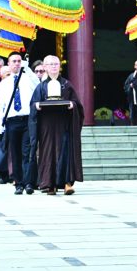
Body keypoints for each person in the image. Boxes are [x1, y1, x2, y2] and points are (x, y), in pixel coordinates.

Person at [29, 55, 84, 196]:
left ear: (60, 66)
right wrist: (36, 106)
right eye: (51, 64)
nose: (54, 66)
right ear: (45, 67)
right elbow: (33, 105)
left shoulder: (67, 84)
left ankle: (67, 183)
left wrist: (72, 105)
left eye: (56, 64)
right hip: (46, 126)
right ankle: (50, 184)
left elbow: (77, 104)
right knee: (48, 153)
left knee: (65, 152)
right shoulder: (41, 87)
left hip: (63, 125)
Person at [0, 53, 40, 195]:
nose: (17, 63)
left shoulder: (28, 78)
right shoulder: (4, 83)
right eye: (14, 61)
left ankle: (29, 183)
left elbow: (38, 84)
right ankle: (18, 183)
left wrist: (28, 68)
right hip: (12, 120)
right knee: (15, 153)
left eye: (19, 61)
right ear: (8, 63)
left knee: (28, 152)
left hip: (27, 120)